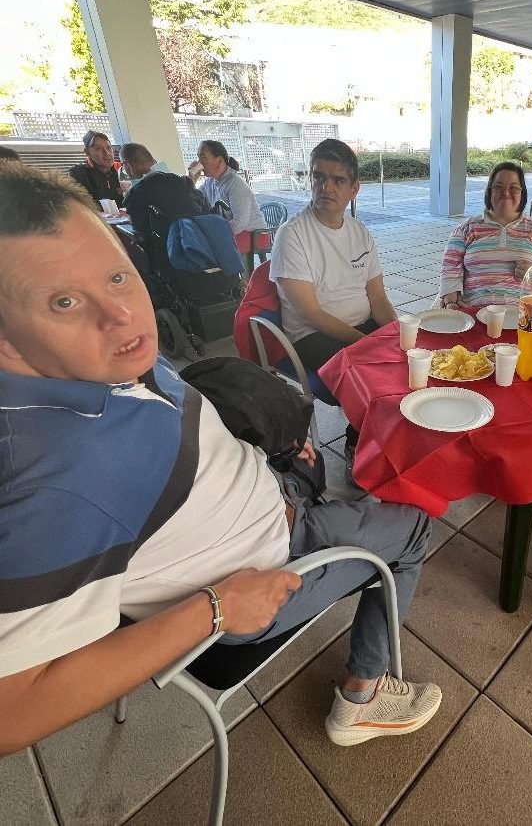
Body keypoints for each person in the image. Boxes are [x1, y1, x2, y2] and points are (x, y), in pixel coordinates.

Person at [0, 163, 442, 756]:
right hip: (262, 569)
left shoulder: (105, 362)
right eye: (64, 302)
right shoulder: (56, 478)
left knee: (313, 453)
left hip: (261, 500)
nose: (121, 315)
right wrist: (214, 610)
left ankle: (305, 491)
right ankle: (363, 698)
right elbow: (11, 710)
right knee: (413, 526)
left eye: (117, 275)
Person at [270, 138, 397, 483]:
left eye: (338, 180)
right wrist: (366, 343)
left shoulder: (360, 232)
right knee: (369, 372)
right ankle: (358, 446)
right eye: (319, 177)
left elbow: (378, 297)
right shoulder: (293, 235)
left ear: (354, 189)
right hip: (311, 335)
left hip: (357, 325)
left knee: (406, 359)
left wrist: (397, 334)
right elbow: (311, 314)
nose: (326, 187)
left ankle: (387, 437)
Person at [440, 161, 532, 308]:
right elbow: (450, 268)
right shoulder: (466, 229)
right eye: (498, 187)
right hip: (475, 311)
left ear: (522, 192)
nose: (505, 193)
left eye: (513, 188)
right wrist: (451, 301)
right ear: (489, 191)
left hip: (525, 314)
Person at [120, 142, 209, 242]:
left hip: (164, 249)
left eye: (123, 165)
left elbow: (140, 233)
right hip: (200, 243)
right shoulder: (182, 182)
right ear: (153, 161)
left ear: (128, 165)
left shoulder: (135, 195)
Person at [188, 139, 267, 238]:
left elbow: (240, 222)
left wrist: (215, 234)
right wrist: (191, 181)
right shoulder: (210, 183)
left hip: (253, 235)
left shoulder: (235, 184)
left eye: (203, 158)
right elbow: (194, 202)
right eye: (198, 158)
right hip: (234, 233)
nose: (199, 164)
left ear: (220, 161)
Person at [68, 129, 124, 208]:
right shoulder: (79, 174)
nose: (107, 153)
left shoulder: (121, 170)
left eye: (108, 148)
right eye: (98, 149)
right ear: (87, 152)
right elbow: (81, 207)